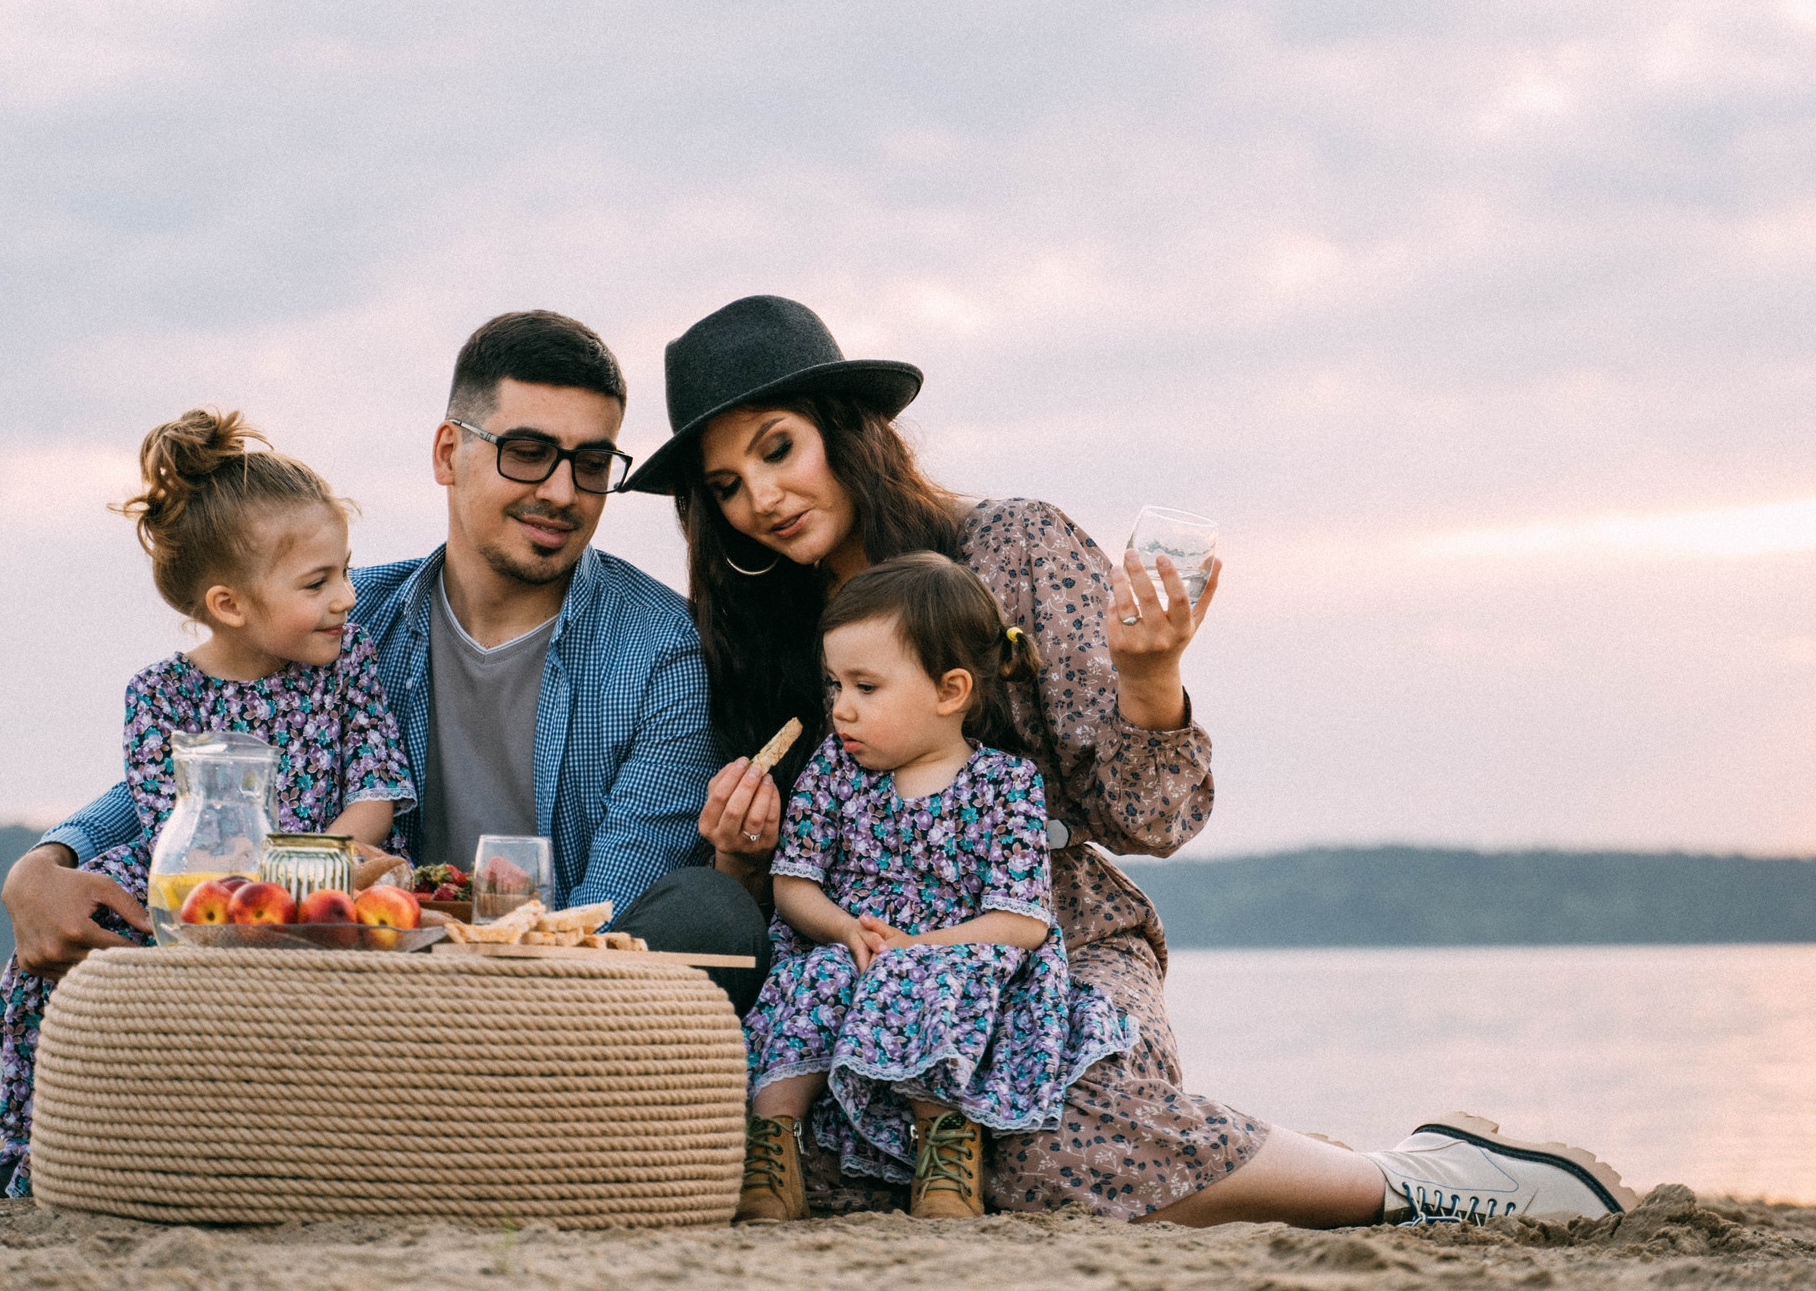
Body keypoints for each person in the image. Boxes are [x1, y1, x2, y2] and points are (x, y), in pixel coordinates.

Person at [628, 294, 1639, 1227]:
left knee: (1036, 1129)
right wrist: (741, 854)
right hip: (868, 965)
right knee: (829, 1139)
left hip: (1055, 941)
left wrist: (1150, 681)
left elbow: (1151, 822)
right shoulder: (761, 646)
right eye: (726, 485)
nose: (760, 496)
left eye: (776, 450)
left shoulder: (1013, 548)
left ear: (845, 431)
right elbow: (786, 878)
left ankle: (1417, 1185)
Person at [0, 311, 771, 1196]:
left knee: (703, 914)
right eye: (528, 451)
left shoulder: (659, 649)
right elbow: (212, 766)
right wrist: (49, 857)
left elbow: (605, 916)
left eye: (589, 463)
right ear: (447, 453)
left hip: (541, 1006)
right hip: (354, 988)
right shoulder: (349, 619)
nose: (563, 491)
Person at [0, 408, 418, 1200]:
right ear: (230, 603)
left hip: (318, 882)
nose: (348, 597)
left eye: (346, 569)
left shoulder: (348, 666)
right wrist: (237, 888)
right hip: (189, 888)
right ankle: (31, 1141)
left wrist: (311, 874)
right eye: (318, 582)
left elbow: (375, 790)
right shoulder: (159, 692)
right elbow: (167, 818)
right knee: (45, 973)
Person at [737, 553, 1135, 1221]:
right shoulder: (834, 770)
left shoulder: (1005, 784)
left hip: (957, 952)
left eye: (866, 687)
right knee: (810, 981)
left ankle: (945, 1146)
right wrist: (844, 928)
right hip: (849, 945)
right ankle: (773, 1141)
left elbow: (1021, 921)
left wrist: (921, 945)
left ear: (950, 692)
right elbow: (793, 884)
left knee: (928, 979)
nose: (841, 710)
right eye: (835, 686)